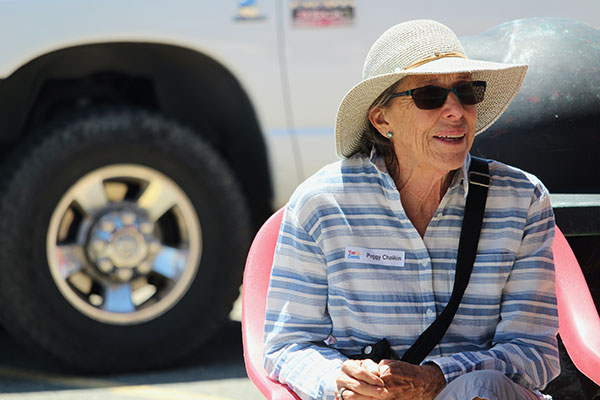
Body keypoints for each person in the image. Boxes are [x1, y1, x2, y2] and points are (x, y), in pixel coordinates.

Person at [263, 20, 559, 400]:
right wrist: (340, 381)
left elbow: (535, 352)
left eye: (466, 91)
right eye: (430, 95)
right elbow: (286, 346)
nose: (455, 110)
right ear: (382, 119)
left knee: (480, 388)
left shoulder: (522, 199)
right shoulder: (322, 204)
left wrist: (438, 378)